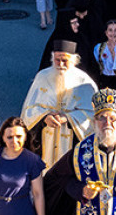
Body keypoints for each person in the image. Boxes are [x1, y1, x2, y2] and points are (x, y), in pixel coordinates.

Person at [21, 40, 98, 169]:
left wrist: (68, 118)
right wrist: (44, 116)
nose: (61, 64)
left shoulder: (84, 81)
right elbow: (29, 108)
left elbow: (91, 113)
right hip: (44, 137)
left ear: (73, 61)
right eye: (57, 60)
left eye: (65, 60)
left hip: (72, 139)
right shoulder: (42, 76)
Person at [94, 20, 116, 92]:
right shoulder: (99, 48)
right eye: (110, 30)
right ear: (106, 33)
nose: (113, 33)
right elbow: (95, 66)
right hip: (104, 82)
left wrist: (114, 54)